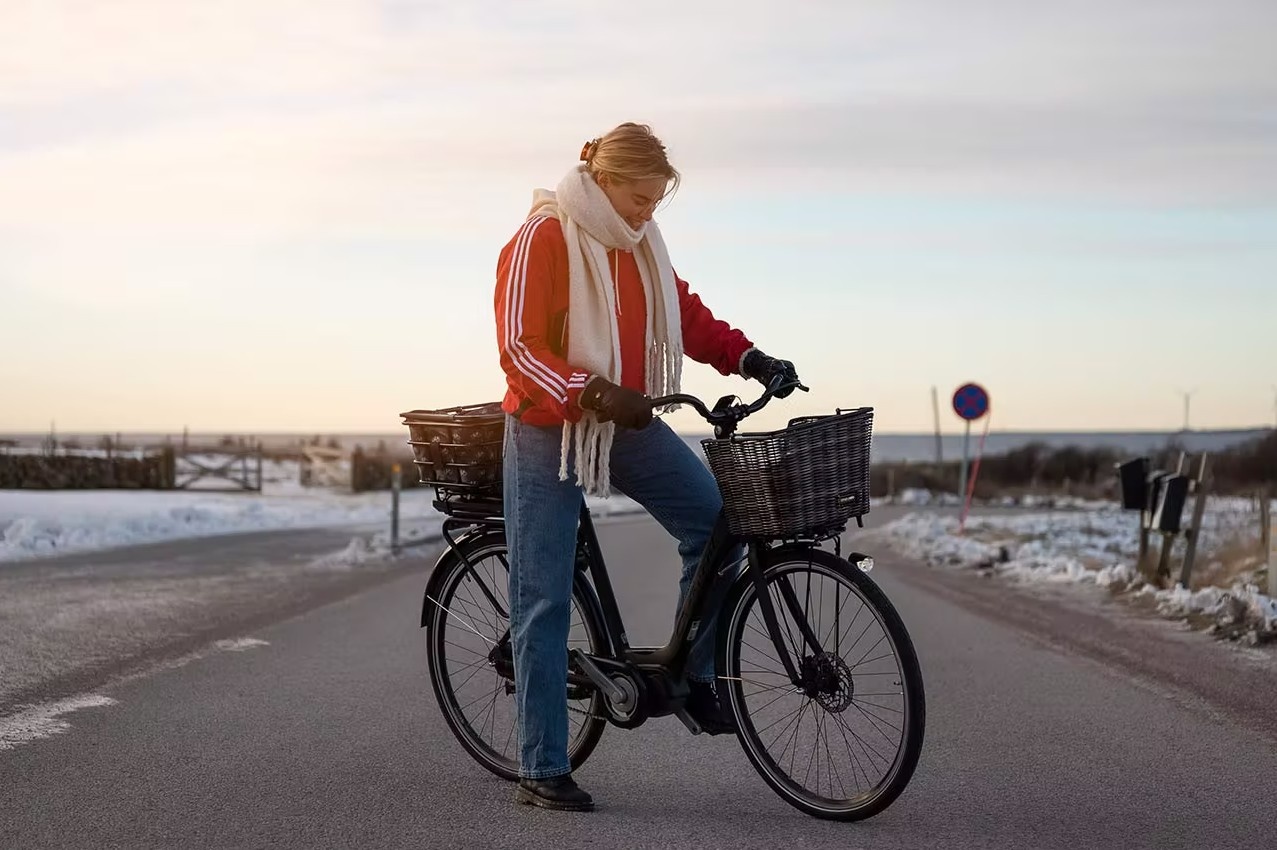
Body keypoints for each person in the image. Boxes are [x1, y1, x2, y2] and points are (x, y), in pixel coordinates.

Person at [493, 122, 799, 812]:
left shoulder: (638, 247)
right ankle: (540, 768)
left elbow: (681, 313)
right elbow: (519, 348)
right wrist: (589, 390)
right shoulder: (543, 237)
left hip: (626, 423)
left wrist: (748, 357)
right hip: (551, 432)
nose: (647, 213)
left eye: (657, 202)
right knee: (543, 596)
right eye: (639, 198)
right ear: (604, 182)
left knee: (717, 521)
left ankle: (691, 676)